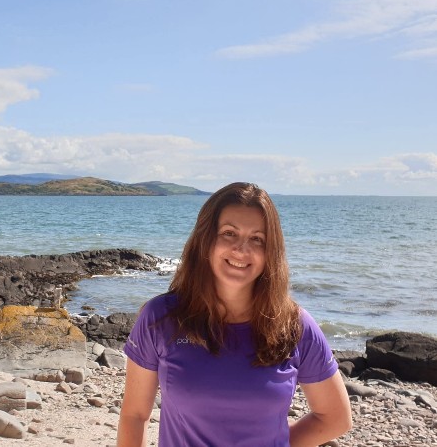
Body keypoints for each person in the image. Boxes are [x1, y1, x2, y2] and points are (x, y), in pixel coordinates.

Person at [117, 182, 352, 447]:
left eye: (257, 239)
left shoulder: (293, 326)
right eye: (229, 233)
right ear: (206, 240)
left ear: (270, 252)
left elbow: (336, 417)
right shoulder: (161, 318)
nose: (241, 249)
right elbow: (135, 415)